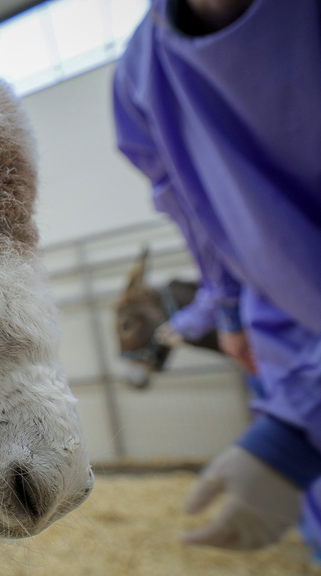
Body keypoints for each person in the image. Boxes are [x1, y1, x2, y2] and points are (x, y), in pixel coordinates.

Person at [113, 0, 321, 552]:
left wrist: (297, 427)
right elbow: (196, 217)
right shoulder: (138, 80)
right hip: (281, 340)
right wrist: (228, 311)